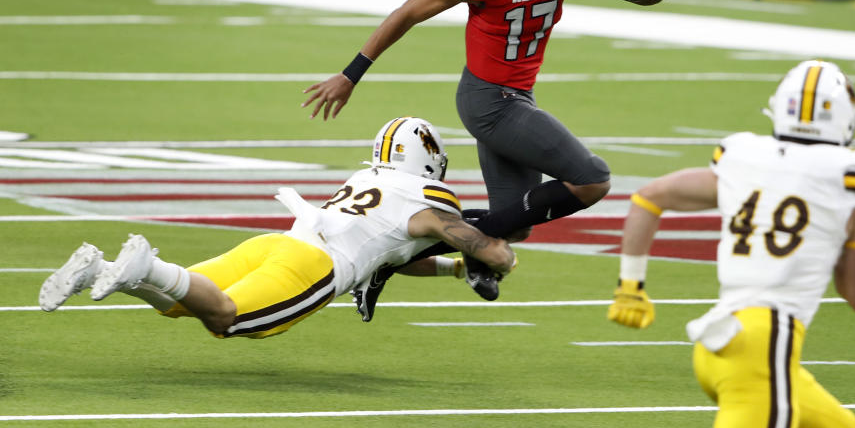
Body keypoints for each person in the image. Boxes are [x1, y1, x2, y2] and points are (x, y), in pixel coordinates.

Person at [302, 0, 682, 300]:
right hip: (489, 101)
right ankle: (423, 248)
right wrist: (351, 73)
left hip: (517, 96)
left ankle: (393, 256)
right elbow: (409, 11)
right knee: (592, 180)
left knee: (515, 224)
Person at [608, 60, 855, 428]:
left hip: (720, 344)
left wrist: (630, 287)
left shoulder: (744, 155)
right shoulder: (853, 174)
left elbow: (648, 198)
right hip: (765, 345)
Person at [39, 117, 516, 336]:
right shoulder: (428, 204)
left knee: (180, 306)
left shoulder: (366, 178)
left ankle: (105, 267)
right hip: (313, 266)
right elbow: (487, 249)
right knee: (225, 319)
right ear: (430, 160)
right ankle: (150, 266)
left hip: (278, 244)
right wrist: (501, 255)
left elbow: (387, 257)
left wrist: (456, 270)